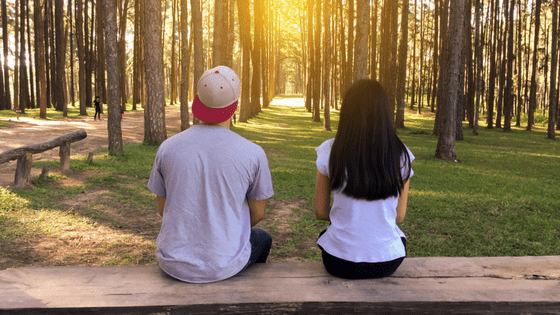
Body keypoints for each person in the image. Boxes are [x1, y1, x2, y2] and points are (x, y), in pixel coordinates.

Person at [148, 66, 274, 283]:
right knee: (262, 238)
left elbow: (163, 209)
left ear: (197, 101)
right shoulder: (253, 153)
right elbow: (258, 213)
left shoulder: (167, 148)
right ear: (235, 106)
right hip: (223, 265)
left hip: (173, 262)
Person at [314, 79, 414, 279]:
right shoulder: (402, 154)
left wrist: (347, 217)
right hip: (387, 262)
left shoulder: (330, 150)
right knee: (399, 239)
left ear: (347, 112)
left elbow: (320, 211)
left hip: (339, 262)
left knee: (325, 237)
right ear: (385, 113)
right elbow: (399, 216)